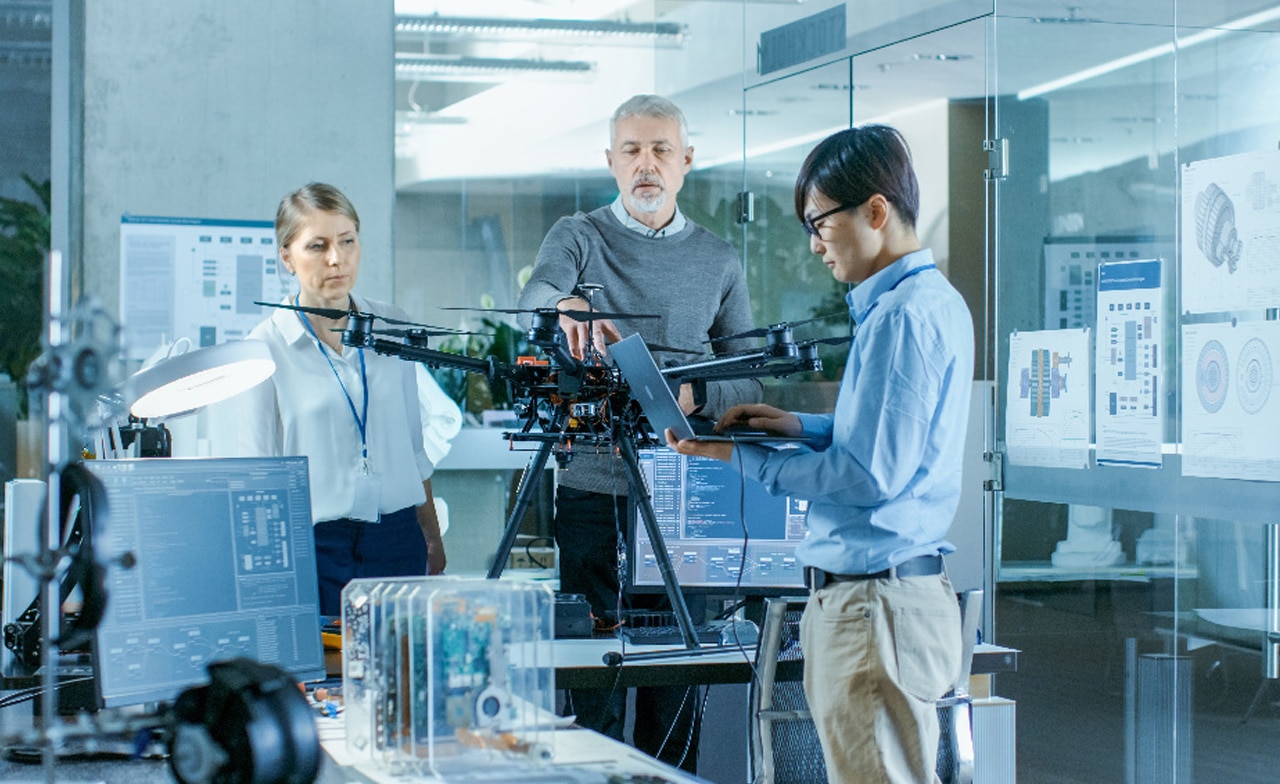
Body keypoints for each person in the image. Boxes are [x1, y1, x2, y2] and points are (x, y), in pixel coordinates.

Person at [668, 125, 974, 784]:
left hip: (872, 612)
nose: (813, 245)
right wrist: (799, 426)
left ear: (875, 210)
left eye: (819, 223)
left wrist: (739, 458)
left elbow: (868, 475)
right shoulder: (928, 304)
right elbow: (889, 442)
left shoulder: (899, 318)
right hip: (895, 603)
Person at [516, 94, 762, 770]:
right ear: (611, 161)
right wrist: (563, 306)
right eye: (632, 150)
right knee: (589, 680)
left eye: (660, 150)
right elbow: (536, 296)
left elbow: (752, 380)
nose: (646, 164)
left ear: (687, 162)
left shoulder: (718, 260)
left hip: (685, 495)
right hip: (593, 492)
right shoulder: (577, 235)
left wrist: (693, 391)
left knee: (673, 687)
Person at [237, 182, 446, 616]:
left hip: (397, 537)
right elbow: (258, 477)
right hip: (315, 546)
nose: (337, 259)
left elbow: (413, 446)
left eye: (347, 241)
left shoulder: (392, 326)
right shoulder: (263, 348)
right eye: (317, 246)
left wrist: (431, 537)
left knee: (400, 675)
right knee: (327, 677)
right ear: (287, 257)